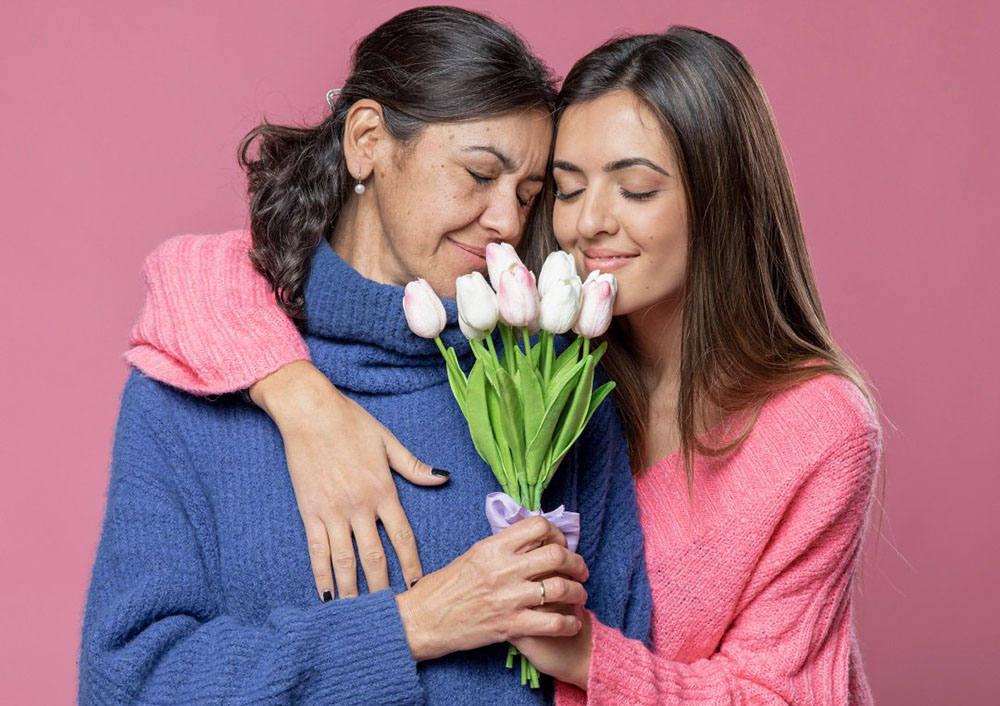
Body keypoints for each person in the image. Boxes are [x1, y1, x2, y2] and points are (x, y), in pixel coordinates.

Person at [124, 24, 882, 706]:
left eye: (634, 189)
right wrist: (301, 398)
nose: (576, 223)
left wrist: (588, 657)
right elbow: (204, 268)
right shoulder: (544, 351)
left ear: (723, 202)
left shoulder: (573, 383)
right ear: (367, 141)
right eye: (567, 190)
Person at [78, 8, 652, 706]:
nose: (507, 221)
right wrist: (414, 625)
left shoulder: (553, 388)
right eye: (478, 174)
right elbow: (128, 685)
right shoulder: (190, 393)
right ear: (367, 141)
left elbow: (619, 668)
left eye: (528, 196)